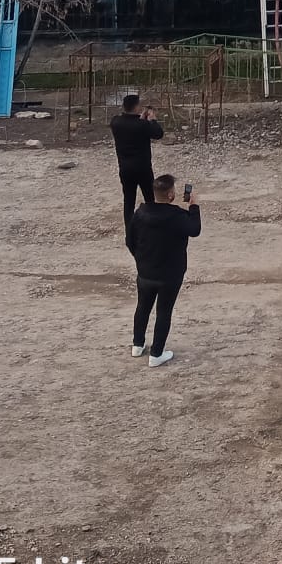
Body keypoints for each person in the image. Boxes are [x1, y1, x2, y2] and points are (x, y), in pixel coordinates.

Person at [126, 174, 200, 366]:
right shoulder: (177, 216)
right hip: (170, 274)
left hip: (145, 272)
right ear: (170, 195)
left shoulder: (140, 214)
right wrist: (194, 206)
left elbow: (130, 241)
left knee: (142, 307)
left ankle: (137, 344)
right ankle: (156, 354)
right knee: (163, 312)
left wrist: (141, 259)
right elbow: (195, 229)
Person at [110, 93, 164, 234]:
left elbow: (131, 124)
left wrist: (141, 119)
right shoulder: (143, 125)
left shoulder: (115, 122)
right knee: (150, 199)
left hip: (125, 168)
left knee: (129, 200)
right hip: (143, 168)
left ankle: (130, 231)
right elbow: (158, 133)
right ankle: (153, 228)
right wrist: (152, 119)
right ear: (137, 107)